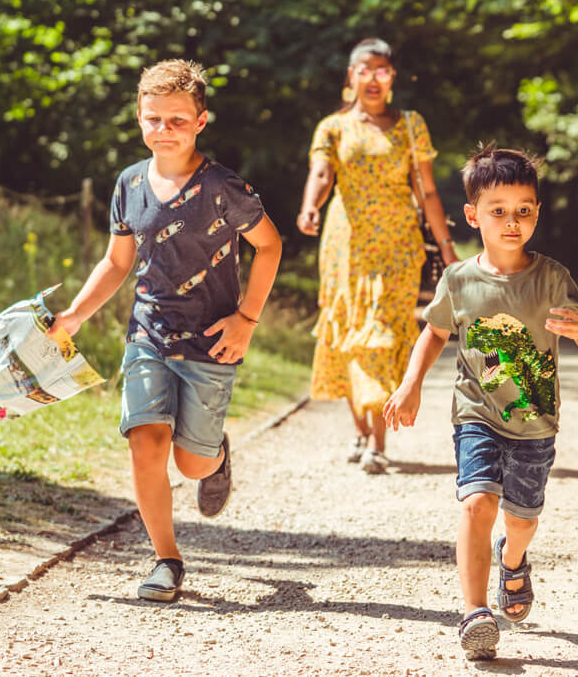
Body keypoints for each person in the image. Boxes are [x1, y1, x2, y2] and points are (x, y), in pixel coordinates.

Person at [49, 59, 282, 601]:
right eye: (153, 119)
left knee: (191, 462)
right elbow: (115, 262)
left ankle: (216, 455)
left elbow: (269, 247)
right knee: (145, 443)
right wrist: (74, 316)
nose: (164, 130)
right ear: (138, 117)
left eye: (177, 120)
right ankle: (166, 560)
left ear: (201, 121)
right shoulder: (129, 184)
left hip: (212, 341)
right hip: (148, 334)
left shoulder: (225, 187)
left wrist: (246, 320)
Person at [383, 146, 578, 661]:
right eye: (498, 210)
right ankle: (474, 612)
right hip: (476, 414)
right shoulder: (459, 279)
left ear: (536, 213)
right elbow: (434, 334)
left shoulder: (552, 277)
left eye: (523, 209)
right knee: (477, 502)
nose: (512, 221)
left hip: (535, 423)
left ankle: (515, 559)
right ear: (473, 214)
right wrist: (411, 383)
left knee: (522, 519)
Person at [297, 37, 458, 474]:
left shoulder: (410, 124)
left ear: (392, 78)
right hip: (345, 246)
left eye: (382, 71)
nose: (373, 79)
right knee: (349, 326)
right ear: (351, 77)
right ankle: (362, 429)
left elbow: (426, 189)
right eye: (364, 71)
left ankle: (379, 441)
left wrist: (446, 247)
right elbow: (321, 171)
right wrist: (310, 205)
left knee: (384, 330)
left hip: (399, 246)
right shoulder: (332, 126)